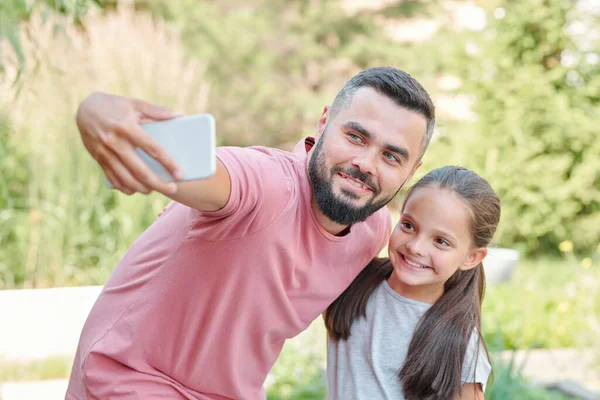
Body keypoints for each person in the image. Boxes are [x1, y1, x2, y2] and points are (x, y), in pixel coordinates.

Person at [66, 67, 436, 400]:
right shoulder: (268, 184)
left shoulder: (372, 231)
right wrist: (94, 110)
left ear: (411, 170)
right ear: (323, 123)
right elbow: (195, 169)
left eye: (391, 156)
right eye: (356, 136)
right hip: (130, 383)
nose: (366, 164)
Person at [325, 166, 500, 400]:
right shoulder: (356, 278)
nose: (415, 247)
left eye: (440, 241)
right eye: (408, 225)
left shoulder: (460, 342)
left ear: (471, 258)